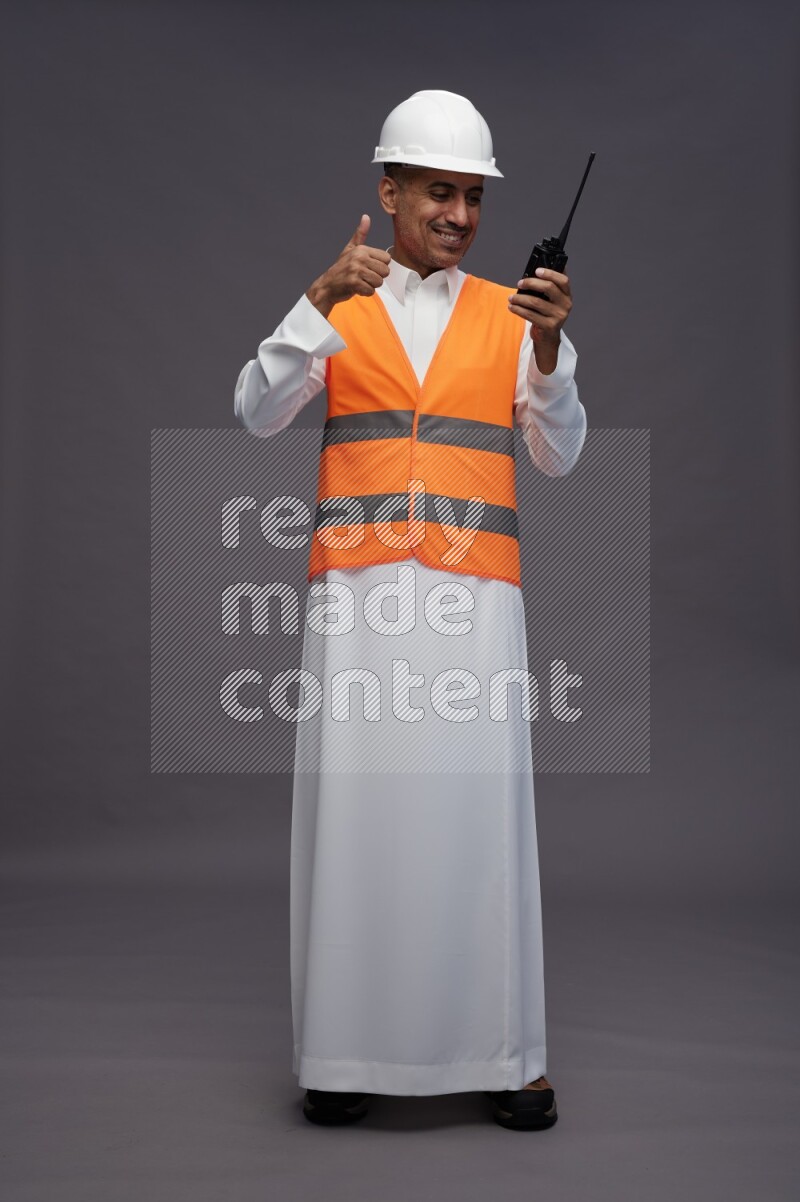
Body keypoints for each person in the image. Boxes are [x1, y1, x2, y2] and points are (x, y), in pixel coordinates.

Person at [234, 90, 587, 1131]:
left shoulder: (517, 317)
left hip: (474, 600)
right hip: (360, 597)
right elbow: (253, 414)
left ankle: (505, 1051)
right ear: (387, 191)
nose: (459, 214)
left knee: (480, 820)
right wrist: (309, 300)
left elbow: (559, 453)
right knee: (358, 817)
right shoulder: (339, 305)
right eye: (439, 190)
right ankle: (343, 1052)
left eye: (471, 196)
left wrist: (555, 357)